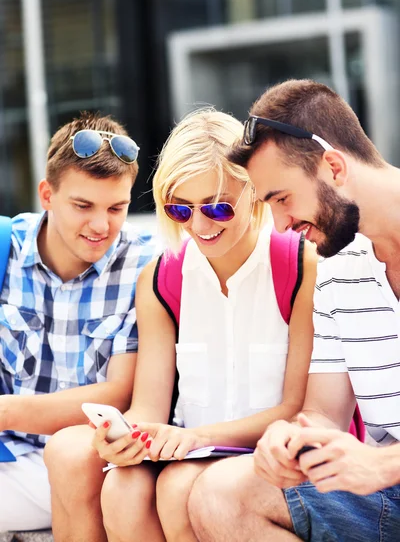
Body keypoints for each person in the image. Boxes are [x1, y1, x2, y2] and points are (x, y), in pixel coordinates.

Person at [44, 108, 317, 542]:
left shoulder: (300, 265)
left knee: (175, 489)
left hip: (271, 452)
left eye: (219, 207)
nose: (200, 225)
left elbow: (297, 409)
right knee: (122, 487)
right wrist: (123, 438)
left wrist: (193, 438)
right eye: (180, 209)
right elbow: (149, 408)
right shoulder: (160, 279)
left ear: (253, 192)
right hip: (188, 449)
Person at [187, 79, 400, 542]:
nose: (280, 225)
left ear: (334, 167)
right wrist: (290, 441)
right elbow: (325, 413)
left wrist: (384, 463)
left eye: (282, 199)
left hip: (389, 472)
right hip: (391, 494)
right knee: (220, 495)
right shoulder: (338, 265)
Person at [0, 112, 157, 533]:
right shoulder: (4, 248)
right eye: (82, 205)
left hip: (88, 462)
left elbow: (120, 392)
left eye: (117, 207)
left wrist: (6, 411)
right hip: (9, 454)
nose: (101, 225)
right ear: (47, 195)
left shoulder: (144, 267)